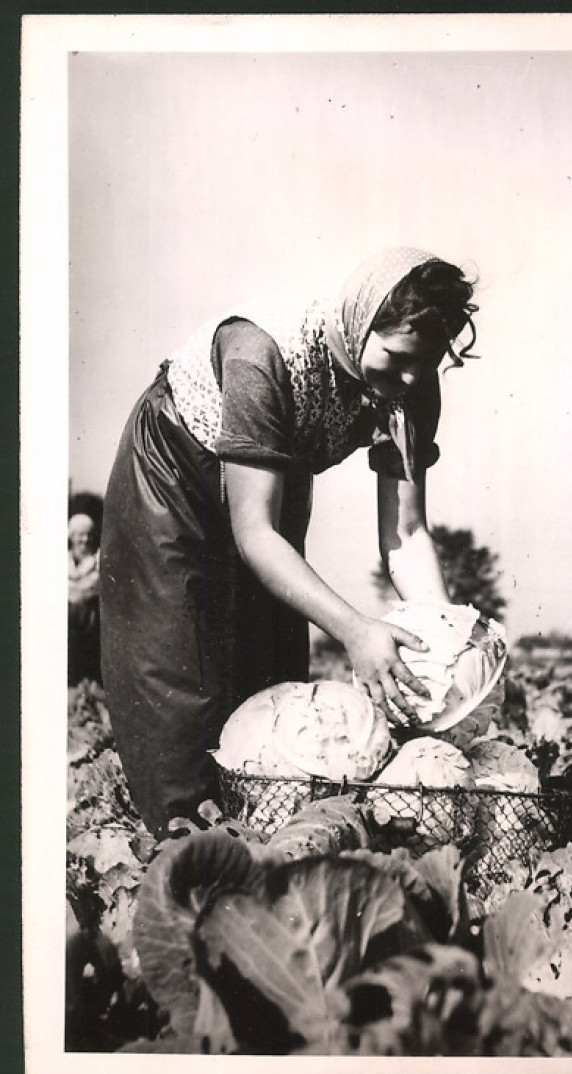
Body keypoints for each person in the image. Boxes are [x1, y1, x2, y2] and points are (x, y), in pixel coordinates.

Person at [99, 246, 479, 838]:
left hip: (277, 465)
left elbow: (405, 531)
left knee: (271, 665)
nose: (407, 379)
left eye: (424, 365)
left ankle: (271, 846)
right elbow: (257, 535)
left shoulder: (411, 384)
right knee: (179, 670)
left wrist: (446, 640)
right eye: (398, 357)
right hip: (177, 465)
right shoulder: (262, 354)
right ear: (361, 322)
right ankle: (184, 851)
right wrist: (355, 629)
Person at [68, 512, 102, 686]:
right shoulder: (63, 561)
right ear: (71, 536)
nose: (85, 539)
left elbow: (93, 588)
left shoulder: (98, 561)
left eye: (89, 534)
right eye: (80, 534)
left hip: (91, 626)